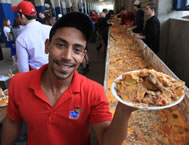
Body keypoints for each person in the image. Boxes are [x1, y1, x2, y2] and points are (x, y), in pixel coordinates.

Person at [1, 12, 136, 145]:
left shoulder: (94, 92)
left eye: (77, 50)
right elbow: (12, 122)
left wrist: (124, 110)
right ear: (47, 45)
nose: (67, 56)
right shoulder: (19, 83)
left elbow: (107, 141)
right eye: (60, 45)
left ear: (83, 56)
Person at [12, 1, 52, 72]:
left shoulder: (21, 38)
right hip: (54, 72)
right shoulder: (50, 29)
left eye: (18, 15)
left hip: (37, 76)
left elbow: (23, 69)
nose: (18, 18)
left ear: (23, 16)